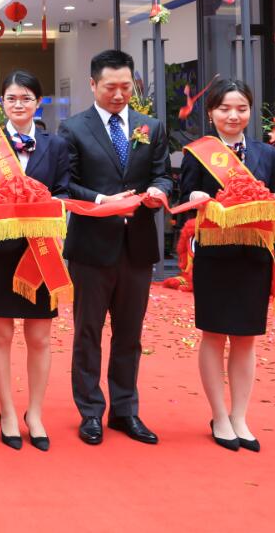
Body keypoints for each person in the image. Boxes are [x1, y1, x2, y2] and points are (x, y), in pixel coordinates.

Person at [59, 49, 172, 446]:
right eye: (110, 87)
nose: (119, 94)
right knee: (87, 332)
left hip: (136, 246)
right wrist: (100, 201)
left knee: (129, 334)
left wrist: (159, 191)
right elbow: (66, 183)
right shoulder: (73, 128)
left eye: (126, 86)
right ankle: (90, 412)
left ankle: (125, 411)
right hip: (91, 247)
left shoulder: (150, 127)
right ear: (93, 85)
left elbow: (163, 174)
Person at [0, 70, 70, 451]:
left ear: (38, 102)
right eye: (11, 98)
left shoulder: (57, 146)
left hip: (40, 251)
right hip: (0, 251)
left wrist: (48, 204)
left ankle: (34, 412)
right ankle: (7, 410)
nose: (19, 104)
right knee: (1, 334)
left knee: (39, 336)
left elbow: (63, 191)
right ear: (2, 103)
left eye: (26, 98)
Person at [179, 79, 275, 452]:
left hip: (254, 256)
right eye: (225, 108)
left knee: (245, 338)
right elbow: (183, 203)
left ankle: (240, 416)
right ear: (211, 113)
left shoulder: (266, 154)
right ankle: (219, 415)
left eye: (241, 108)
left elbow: (273, 196)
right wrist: (195, 198)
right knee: (214, 335)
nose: (233, 116)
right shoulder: (198, 153)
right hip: (215, 255)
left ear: (250, 111)